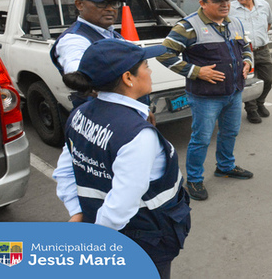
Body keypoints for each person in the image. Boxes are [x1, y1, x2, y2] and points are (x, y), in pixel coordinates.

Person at [53, 39, 191, 279]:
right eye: (146, 66)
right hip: (144, 235)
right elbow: (120, 206)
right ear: (128, 78)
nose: (149, 71)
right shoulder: (137, 135)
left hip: (102, 223)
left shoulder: (79, 114)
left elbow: (65, 171)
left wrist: (77, 212)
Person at [157, 0, 254, 201]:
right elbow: (164, 54)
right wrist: (196, 72)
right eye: (218, 1)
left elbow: (246, 47)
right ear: (202, 3)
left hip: (233, 92)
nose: (225, 4)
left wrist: (247, 62)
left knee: (230, 132)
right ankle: (194, 180)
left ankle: (225, 166)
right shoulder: (187, 27)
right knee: (201, 139)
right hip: (206, 97)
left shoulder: (235, 22)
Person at [50, 0, 126, 108]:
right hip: (101, 112)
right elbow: (76, 71)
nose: (110, 9)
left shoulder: (110, 33)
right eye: (101, 3)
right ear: (80, 5)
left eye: (114, 3)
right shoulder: (74, 39)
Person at [230, 0, 272, 124]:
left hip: (262, 49)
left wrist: (259, 39)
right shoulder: (231, 9)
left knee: (268, 80)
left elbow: (268, 23)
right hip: (243, 51)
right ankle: (251, 110)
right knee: (248, 81)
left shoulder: (263, 5)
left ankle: (260, 102)